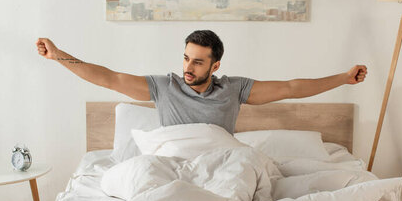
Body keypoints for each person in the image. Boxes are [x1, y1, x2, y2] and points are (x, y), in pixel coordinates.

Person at [36, 30, 367, 134]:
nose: (188, 67)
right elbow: (108, 78)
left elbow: (292, 88)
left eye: (197, 61)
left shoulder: (234, 89)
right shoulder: (163, 87)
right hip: (172, 163)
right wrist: (59, 55)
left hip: (218, 162)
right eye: (185, 58)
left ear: (216, 64)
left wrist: (342, 78)